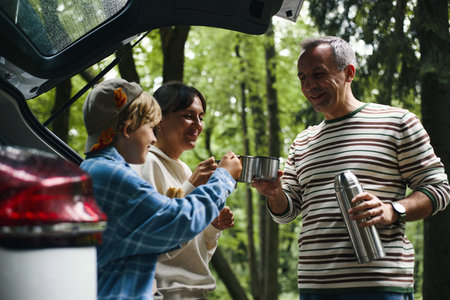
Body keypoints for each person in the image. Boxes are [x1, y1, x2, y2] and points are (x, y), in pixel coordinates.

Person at [251, 36, 450, 299]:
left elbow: (438, 189)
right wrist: (275, 194)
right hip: (314, 288)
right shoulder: (303, 141)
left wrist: (393, 209)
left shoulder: (397, 122)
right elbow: (286, 213)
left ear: (349, 73)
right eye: (302, 78)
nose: (309, 85)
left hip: (379, 287)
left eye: (318, 74)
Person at [79, 78, 241, 300]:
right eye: (149, 127)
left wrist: (211, 227)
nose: (154, 137)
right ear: (127, 129)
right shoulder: (114, 175)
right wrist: (224, 178)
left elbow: (163, 238)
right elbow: (177, 222)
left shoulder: (98, 169)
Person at [131, 82, 234, 299]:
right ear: (159, 119)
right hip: (162, 291)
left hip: (193, 292)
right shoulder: (145, 163)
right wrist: (191, 186)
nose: (198, 124)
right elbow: (155, 234)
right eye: (188, 115)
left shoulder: (185, 170)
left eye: (201, 117)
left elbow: (191, 252)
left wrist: (212, 229)